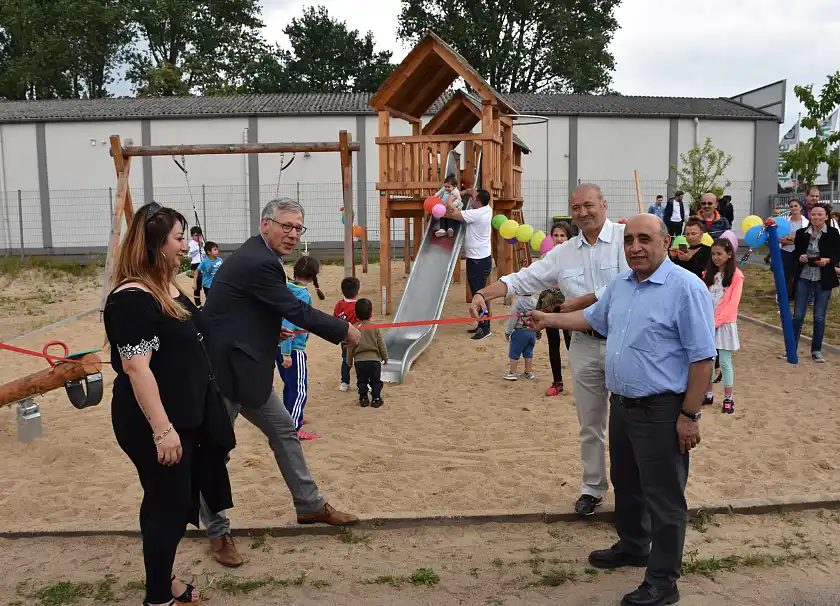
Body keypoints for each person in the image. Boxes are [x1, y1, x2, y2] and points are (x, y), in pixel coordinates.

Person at [524, 214, 716, 606]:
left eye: (645, 239)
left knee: (664, 498)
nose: (635, 247)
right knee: (627, 484)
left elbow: (702, 359)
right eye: (629, 240)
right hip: (624, 406)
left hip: (663, 410)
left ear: (665, 242)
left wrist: (689, 416)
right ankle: (634, 545)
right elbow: (590, 318)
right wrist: (548, 318)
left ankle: (663, 581)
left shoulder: (685, 288)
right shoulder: (623, 286)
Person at [199, 198, 362, 567]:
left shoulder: (259, 257)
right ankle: (217, 531)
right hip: (224, 370)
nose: (292, 235)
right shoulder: (259, 262)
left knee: (285, 431)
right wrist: (342, 330)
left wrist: (269, 333)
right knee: (215, 450)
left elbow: (250, 309)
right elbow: (294, 308)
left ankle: (309, 506)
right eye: (285, 226)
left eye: (298, 228)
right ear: (265, 225)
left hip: (247, 366)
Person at [470, 183, 629, 517]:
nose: (583, 213)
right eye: (576, 208)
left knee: (629, 424)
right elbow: (524, 279)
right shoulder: (564, 252)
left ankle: (632, 492)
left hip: (624, 344)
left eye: (589, 205)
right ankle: (593, 488)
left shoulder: (625, 241)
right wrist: (484, 293)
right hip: (584, 344)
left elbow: (629, 282)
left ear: (604, 203)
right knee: (590, 422)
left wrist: (584, 300)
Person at [103, 203, 234, 606]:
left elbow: (193, 337)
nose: (186, 245)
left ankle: (163, 582)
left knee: (168, 503)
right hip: (153, 424)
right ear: (157, 245)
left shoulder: (169, 285)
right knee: (170, 506)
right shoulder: (131, 299)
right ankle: (159, 597)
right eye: (179, 238)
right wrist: (163, 430)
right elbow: (136, 368)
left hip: (185, 416)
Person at [277, 256, 326, 440]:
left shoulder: (285, 287)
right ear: (313, 275)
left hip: (280, 345)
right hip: (292, 348)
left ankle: (289, 418)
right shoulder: (302, 294)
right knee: (299, 388)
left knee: (290, 385)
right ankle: (294, 428)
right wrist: (287, 352)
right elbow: (288, 320)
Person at [788, 203, 840, 363]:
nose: (816, 217)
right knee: (798, 315)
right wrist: (800, 257)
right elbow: (796, 252)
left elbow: (837, 254)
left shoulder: (833, 233)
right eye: (814, 214)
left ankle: (816, 350)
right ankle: (790, 347)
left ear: (826, 217)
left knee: (819, 316)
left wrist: (829, 260)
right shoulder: (802, 233)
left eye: (820, 215)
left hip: (823, 278)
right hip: (804, 276)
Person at [446, 188, 493, 341]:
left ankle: (485, 327)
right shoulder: (487, 209)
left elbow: (452, 214)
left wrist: (450, 199)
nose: (471, 200)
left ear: (478, 202)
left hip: (477, 261)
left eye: (474, 199)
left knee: (479, 295)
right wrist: (466, 192)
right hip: (482, 258)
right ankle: (481, 325)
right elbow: (474, 191)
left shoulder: (476, 214)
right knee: (478, 294)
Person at [703, 238, 743, 413]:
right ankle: (708, 394)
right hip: (708, 323)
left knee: (725, 361)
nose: (716, 257)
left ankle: (728, 398)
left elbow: (732, 303)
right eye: (713, 254)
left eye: (719, 254)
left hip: (725, 324)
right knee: (709, 361)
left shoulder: (736, 275)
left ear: (729, 254)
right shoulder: (708, 275)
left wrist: (716, 322)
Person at [540, 221, 574, 396]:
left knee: (572, 344)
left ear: (568, 237)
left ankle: (579, 379)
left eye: (563, 235)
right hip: (551, 303)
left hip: (569, 305)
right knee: (553, 344)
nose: (559, 239)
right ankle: (557, 382)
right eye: (556, 235)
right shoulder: (548, 257)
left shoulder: (575, 256)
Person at [346, 298, 387, 408]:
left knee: (362, 381)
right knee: (376, 381)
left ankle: (363, 398)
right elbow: (381, 345)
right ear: (371, 312)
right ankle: (376, 399)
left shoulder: (354, 329)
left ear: (356, 314)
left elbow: (350, 347)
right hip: (374, 360)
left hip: (360, 361)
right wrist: (385, 357)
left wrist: (349, 361)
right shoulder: (375, 328)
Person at [334, 276, 361, 393]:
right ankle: (362, 383)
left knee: (345, 360)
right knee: (359, 359)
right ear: (357, 291)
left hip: (344, 337)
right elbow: (362, 321)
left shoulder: (339, 305)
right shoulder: (359, 305)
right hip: (357, 337)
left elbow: (334, 319)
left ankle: (345, 382)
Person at [504, 294, 538, 381]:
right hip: (532, 331)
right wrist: (537, 331)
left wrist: (508, 332)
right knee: (529, 352)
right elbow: (538, 317)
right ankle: (528, 373)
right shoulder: (535, 302)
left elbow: (513, 319)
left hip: (520, 331)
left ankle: (512, 373)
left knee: (514, 352)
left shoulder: (518, 303)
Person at [780, 199, 809, 300]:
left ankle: (796, 296)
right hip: (786, 251)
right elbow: (780, 238)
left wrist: (791, 239)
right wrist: (793, 240)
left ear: (801, 207)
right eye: (791, 206)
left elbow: (805, 239)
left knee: (798, 275)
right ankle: (785, 296)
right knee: (785, 274)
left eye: (795, 206)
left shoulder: (806, 223)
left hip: (799, 252)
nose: (793, 208)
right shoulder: (784, 222)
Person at [188, 226, 205, 307]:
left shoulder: (202, 242)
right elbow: (190, 254)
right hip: (196, 264)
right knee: (198, 284)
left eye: (199, 235)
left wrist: (202, 247)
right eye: (196, 235)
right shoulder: (191, 243)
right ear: (192, 236)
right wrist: (199, 247)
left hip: (203, 264)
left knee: (205, 283)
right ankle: (198, 304)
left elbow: (204, 254)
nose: (198, 237)